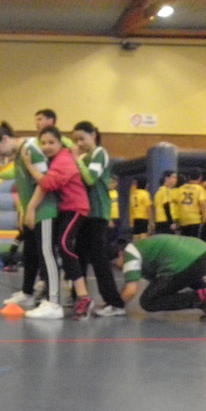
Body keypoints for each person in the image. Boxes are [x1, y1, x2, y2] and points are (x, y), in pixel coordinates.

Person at [23, 126, 93, 319]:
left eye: (51, 142)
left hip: (76, 208)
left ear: (60, 143)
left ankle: (83, 296)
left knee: (63, 245)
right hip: (66, 209)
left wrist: (29, 165)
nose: (47, 146)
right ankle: (65, 290)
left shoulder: (63, 160)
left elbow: (47, 184)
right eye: (43, 143)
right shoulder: (58, 158)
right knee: (58, 248)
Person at [0, 121, 53, 309]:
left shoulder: (31, 149)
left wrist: (30, 208)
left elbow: (45, 181)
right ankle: (27, 292)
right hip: (32, 210)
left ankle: (51, 300)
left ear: (5, 139)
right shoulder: (19, 154)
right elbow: (17, 175)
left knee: (45, 254)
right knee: (30, 252)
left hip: (43, 209)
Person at [71, 121, 127, 317]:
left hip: (98, 213)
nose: (79, 143)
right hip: (85, 213)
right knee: (79, 254)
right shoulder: (84, 156)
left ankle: (115, 303)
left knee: (99, 258)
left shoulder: (99, 153)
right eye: (76, 140)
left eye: (82, 138)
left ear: (93, 135)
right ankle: (79, 297)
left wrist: (77, 161)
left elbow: (90, 179)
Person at [113, 234, 206, 319]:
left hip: (190, 262)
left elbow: (131, 290)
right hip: (205, 254)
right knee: (177, 277)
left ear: (121, 254)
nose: (116, 268)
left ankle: (201, 298)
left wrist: (113, 306)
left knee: (148, 301)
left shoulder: (129, 254)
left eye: (114, 264)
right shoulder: (141, 249)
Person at [176, 167, 206, 239]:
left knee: (184, 240)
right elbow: (202, 203)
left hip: (182, 219)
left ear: (189, 177)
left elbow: (176, 203)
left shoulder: (181, 188)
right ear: (200, 177)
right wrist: (204, 217)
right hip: (195, 219)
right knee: (193, 240)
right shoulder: (199, 189)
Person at [153, 170, 177, 234]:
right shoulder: (164, 191)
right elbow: (166, 206)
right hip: (165, 222)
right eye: (173, 177)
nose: (175, 179)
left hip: (159, 221)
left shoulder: (159, 191)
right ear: (167, 178)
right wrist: (171, 222)